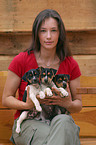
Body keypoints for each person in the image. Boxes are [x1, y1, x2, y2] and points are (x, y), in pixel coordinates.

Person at [2, 9, 82, 145]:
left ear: (60, 33)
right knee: (65, 135)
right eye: (43, 31)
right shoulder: (21, 60)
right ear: (37, 34)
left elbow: (78, 104)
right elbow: (6, 99)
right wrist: (26, 105)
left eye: (54, 30)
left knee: (64, 122)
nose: (48, 36)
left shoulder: (70, 64)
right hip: (29, 122)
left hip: (59, 120)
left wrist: (68, 104)